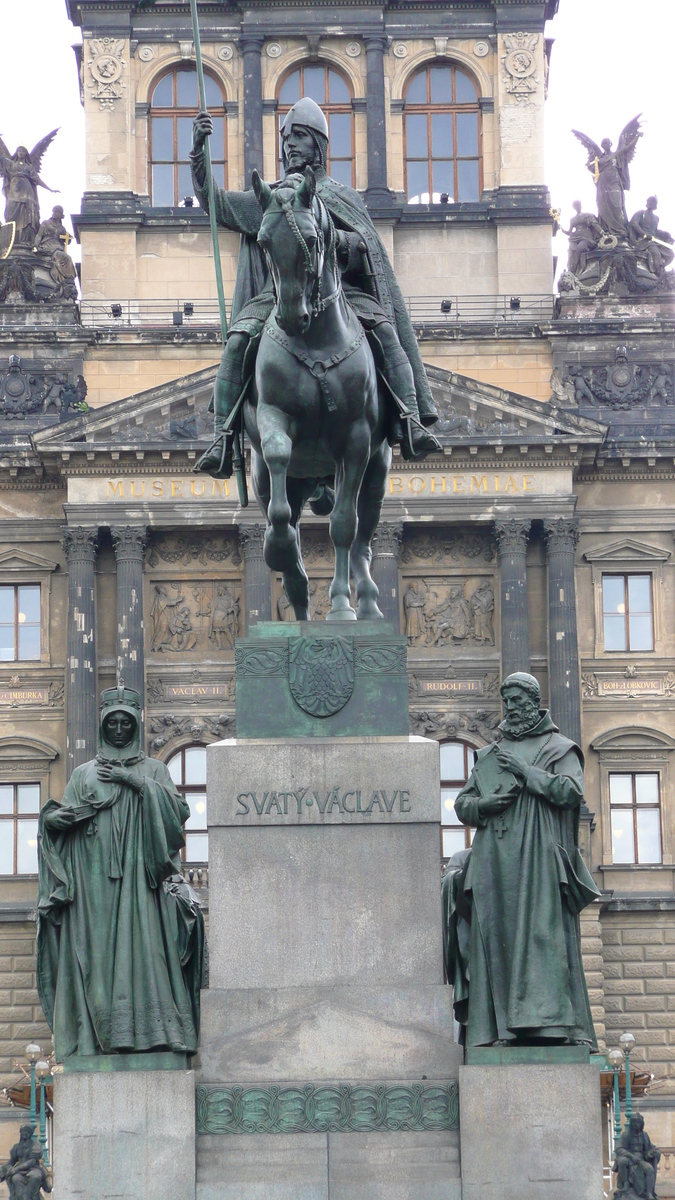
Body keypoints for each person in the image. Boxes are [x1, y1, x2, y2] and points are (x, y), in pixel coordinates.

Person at [190, 97, 441, 475]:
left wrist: (338, 242)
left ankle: (410, 420)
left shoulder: (344, 197)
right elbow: (217, 203)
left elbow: (366, 249)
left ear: (320, 146)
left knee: (387, 333)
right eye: (287, 138)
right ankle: (222, 439)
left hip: (342, 295)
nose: (290, 145)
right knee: (239, 340)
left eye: (301, 137)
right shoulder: (273, 198)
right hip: (276, 297)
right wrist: (198, 154)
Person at [37, 686, 205, 1059]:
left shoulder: (154, 769)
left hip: (140, 881)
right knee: (95, 961)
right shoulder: (83, 775)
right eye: (111, 722)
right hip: (93, 887)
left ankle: (156, 1035)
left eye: (124, 722)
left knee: (148, 954)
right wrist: (53, 820)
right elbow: (62, 822)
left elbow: (178, 814)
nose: (117, 729)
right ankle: (97, 1038)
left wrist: (133, 782)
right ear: (101, 726)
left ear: (134, 725)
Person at [447, 671, 600, 1048]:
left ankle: (547, 1026)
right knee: (495, 940)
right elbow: (463, 804)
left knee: (541, 940)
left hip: (537, 860)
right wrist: (485, 805)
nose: (511, 708)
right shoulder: (489, 754)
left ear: (533, 702)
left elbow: (571, 791)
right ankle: (495, 1029)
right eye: (507, 701)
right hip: (494, 862)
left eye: (517, 700)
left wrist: (527, 774)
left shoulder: (559, 748)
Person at [614, 1113, 660, 1199]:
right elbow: (619, 1149)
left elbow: (648, 1150)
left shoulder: (644, 1135)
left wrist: (651, 1153)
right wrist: (631, 1156)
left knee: (649, 1169)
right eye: (634, 1122)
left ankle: (649, 1193)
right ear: (631, 1123)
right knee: (622, 1161)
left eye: (638, 1122)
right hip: (628, 1157)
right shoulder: (626, 1135)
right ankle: (625, 1184)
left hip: (640, 1160)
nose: (636, 1124)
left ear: (641, 1124)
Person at [34, 206, 77, 296]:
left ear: (61, 215)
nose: (54, 213)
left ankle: (68, 278)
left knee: (66, 257)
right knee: (63, 256)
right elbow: (39, 235)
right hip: (46, 245)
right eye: (53, 211)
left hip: (57, 247)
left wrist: (68, 240)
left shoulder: (62, 228)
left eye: (57, 212)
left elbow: (65, 240)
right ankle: (67, 278)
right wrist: (35, 245)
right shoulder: (45, 223)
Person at [0, 1124, 52, 1199]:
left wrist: (15, 1169)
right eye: (24, 1131)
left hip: (34, 1168)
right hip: (20, 1171)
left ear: (31, 1134)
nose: (26, 1133)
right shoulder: (16, 1147)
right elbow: (12, 1160)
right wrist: (4, 1168)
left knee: (35, 1176)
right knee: (16, 1178)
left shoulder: (36, 1145)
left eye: (28, 1131)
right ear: (20, 1133)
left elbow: (31, 1161)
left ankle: (32, 1197)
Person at [630, 196, 675, 278]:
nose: (651, 203)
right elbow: (634, 224)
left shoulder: (656, 218)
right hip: (644, 240)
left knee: (670, 254)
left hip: (654, 240)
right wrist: (644, 234)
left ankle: (660, 266)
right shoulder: (641, 213)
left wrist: (667, 235)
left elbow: (655, 231)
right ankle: (657, 271)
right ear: (647, 203)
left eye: (653, 202)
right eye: (650, 201)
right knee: (656, 254)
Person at [561, 201, 603, 275]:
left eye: (579, 205)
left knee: (580, 248)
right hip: (575, 238)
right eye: (576, 205)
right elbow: (569, 232)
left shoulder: (587, 215)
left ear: (581, 205)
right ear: (574, 207)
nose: (578, 206)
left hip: (586, 237)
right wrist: (561, 229)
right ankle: (572, 268)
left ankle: (573, 270)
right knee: (571, 251)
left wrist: (602, 232)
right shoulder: (572, 219)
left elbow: (594, 224)